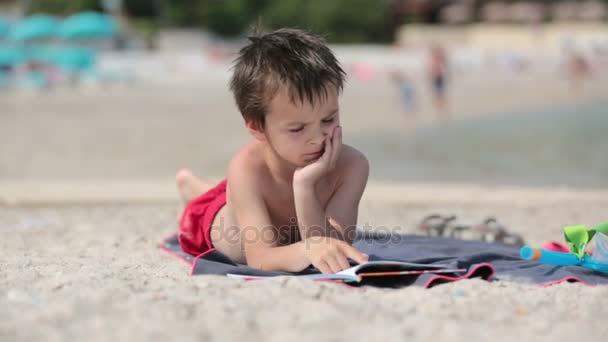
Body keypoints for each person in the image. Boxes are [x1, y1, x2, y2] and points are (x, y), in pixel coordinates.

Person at [175, 28, 370, 274]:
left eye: (329, 120)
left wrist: (305, 188)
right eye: (298, 129)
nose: (317, 138)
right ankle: (190, 185)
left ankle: (206, 187)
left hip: (251, 198)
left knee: (229, 193)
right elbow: (260, 259)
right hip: (216, 221)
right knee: (212, 201)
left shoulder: (352, 166)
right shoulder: (246, 168)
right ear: (257, 128)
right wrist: (308, 248)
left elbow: (334, 247)